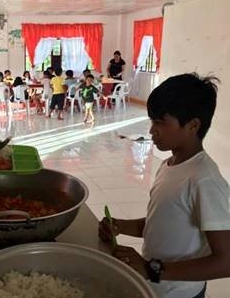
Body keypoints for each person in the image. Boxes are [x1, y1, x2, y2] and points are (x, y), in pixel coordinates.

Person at [98, 73, 230, 298]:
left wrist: (152, 269)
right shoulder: (170, 164)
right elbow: (163, 223)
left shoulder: (204, 179)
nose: (151, 130)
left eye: (160, 122)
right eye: (152, 121)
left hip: (180, 293)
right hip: (155, 287)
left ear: (192, 125)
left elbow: (225, 262)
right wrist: (121, 226)